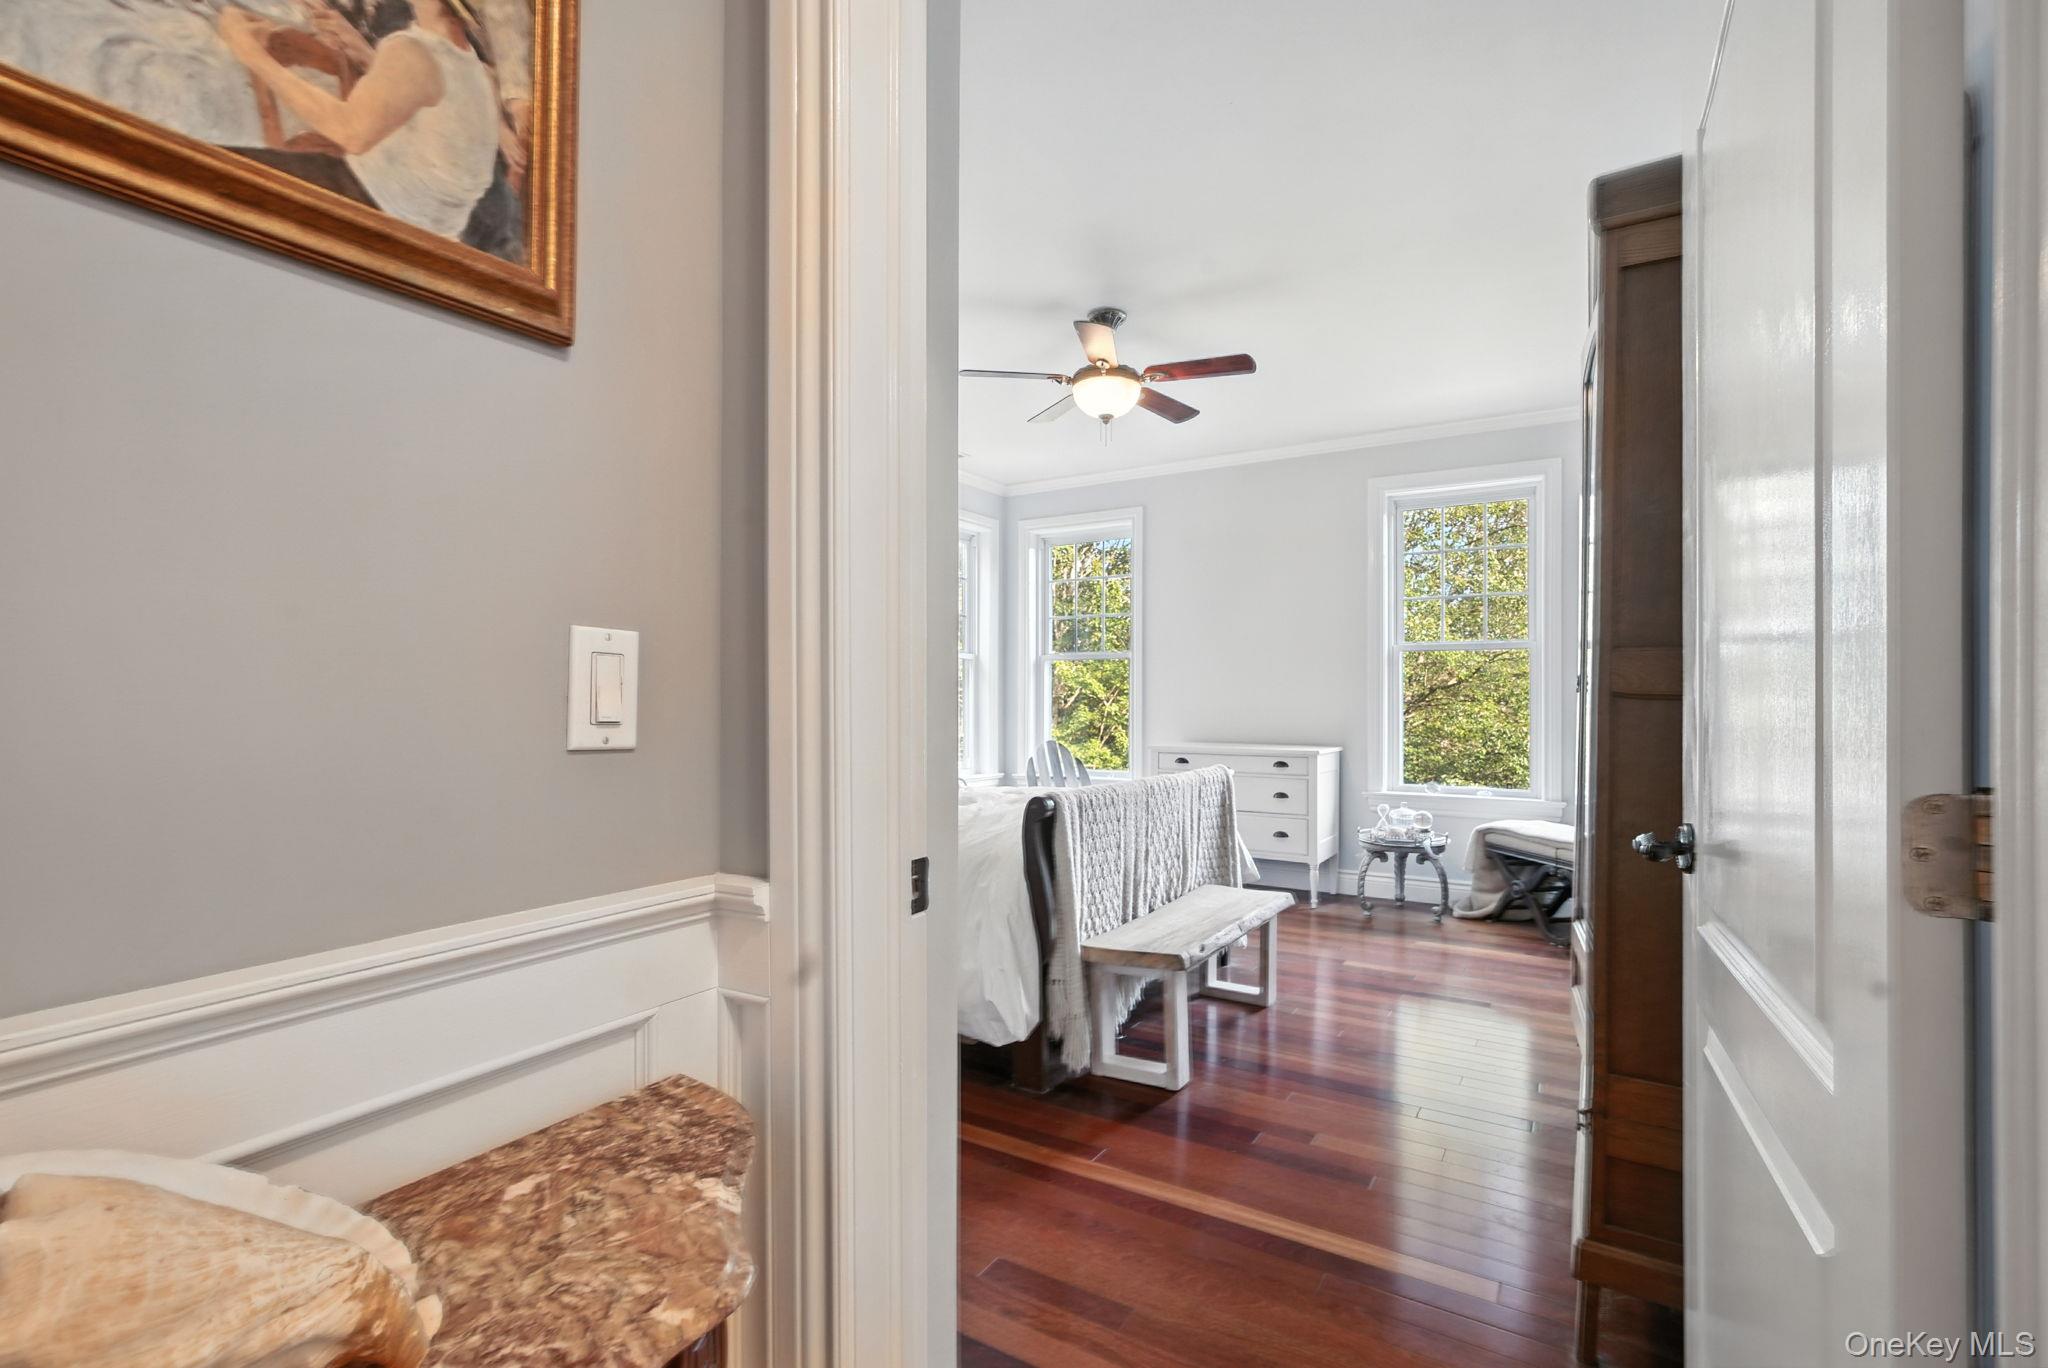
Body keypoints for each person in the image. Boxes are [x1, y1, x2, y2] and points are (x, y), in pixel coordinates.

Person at [218, 0, 499, 241]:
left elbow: (350, 133)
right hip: (426, 228)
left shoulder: (415, 50)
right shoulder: (472, 68)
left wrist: (250, 53)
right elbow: (411, 102)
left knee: (218, 168)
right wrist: (360, 50)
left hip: (372, 210)